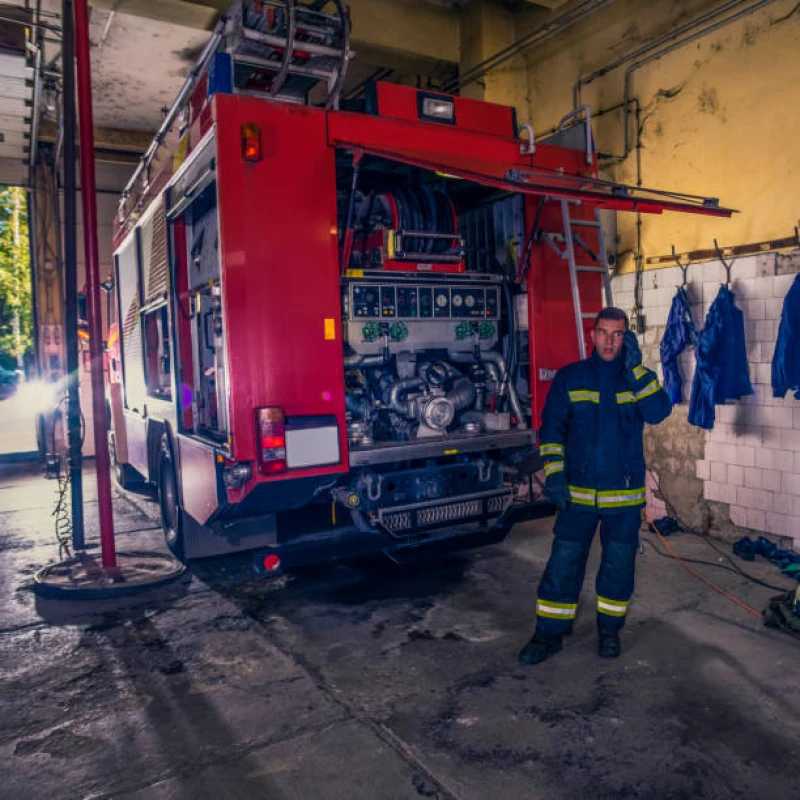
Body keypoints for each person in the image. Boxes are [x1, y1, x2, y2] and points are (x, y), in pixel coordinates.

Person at [519, 307, 671, 665]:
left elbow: (658, 411)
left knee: (618, 567)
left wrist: (636, 369)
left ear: (626, 338)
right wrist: (554, 475)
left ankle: (609, 632)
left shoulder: (637, 378)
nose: (609, 341)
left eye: (617, 334)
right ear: (592, 334)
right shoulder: (571, 378)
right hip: (578, 495)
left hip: (623, 496)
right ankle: (548, 635)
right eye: (603, 332)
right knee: (563, 565)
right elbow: (552, 430)